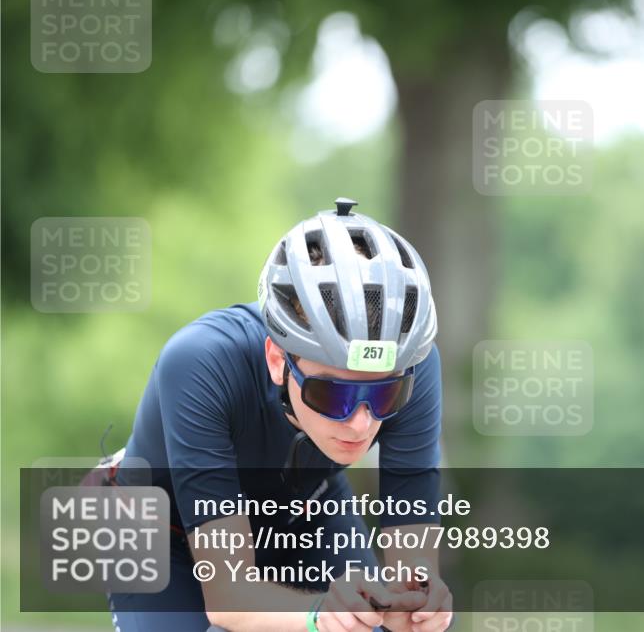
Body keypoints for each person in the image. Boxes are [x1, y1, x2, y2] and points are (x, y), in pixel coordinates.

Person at [106, 198, 453, 632]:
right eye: (332, 394)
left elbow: (412, 566)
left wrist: (416, 601)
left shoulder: (416, 365)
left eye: (385, 395)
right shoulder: (201, 362)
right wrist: (317, 615)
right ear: (276, 359)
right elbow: (229, 598)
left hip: (301, 507)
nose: (361, 423)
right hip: (159, 527)